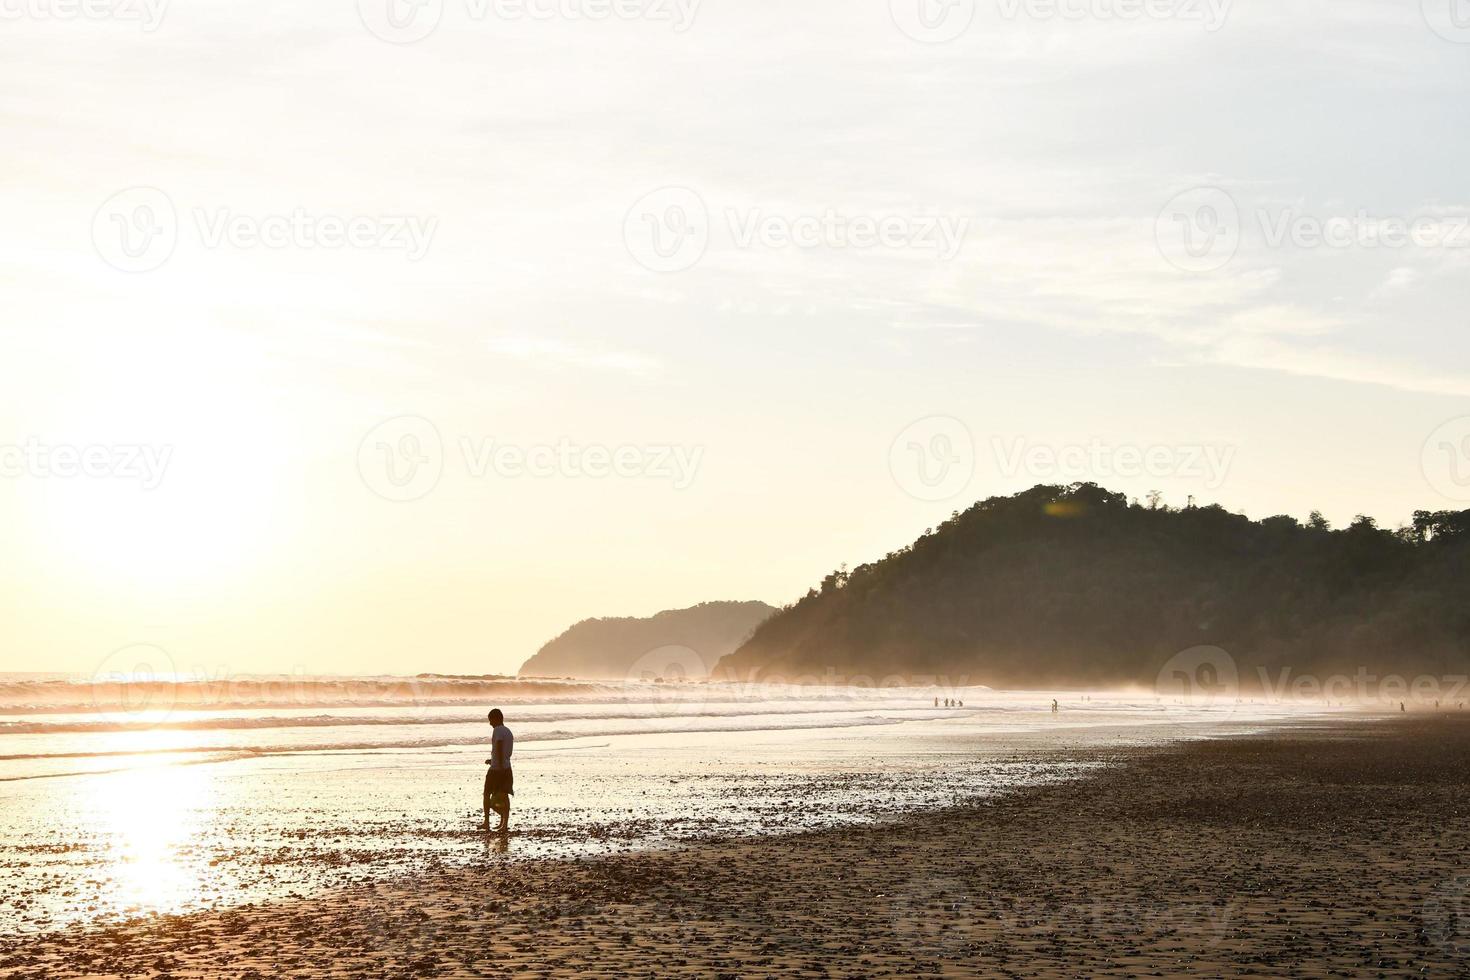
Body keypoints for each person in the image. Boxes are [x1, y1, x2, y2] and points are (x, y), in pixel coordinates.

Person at [483, 708, 514, 833]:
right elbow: (505, 751)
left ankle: (486, 823)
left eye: (491, 720)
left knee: (486, 793)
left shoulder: (497, 731)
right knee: (504, 796)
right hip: (506, 767)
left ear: (496, 719)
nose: (490, 723)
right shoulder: (508, 731)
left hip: (497, 769)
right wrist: (493, 760)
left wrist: (498, 764)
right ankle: (504, 824)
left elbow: (500, 747)